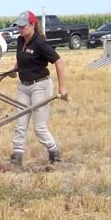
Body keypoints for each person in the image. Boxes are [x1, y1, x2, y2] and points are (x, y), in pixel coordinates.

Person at [10, 10, 69, 167]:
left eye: (23, 26)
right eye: (18, 26)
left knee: (39, 127)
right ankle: (16, 158)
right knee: (20, 124)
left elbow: (59, 62)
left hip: (40, 86)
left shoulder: (40, 43)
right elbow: (21, 59)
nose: (20, 29)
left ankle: (55, 154)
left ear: (32, 25)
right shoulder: (20, 41)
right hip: (23, 86)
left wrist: (62, 88)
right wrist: (13, 70)